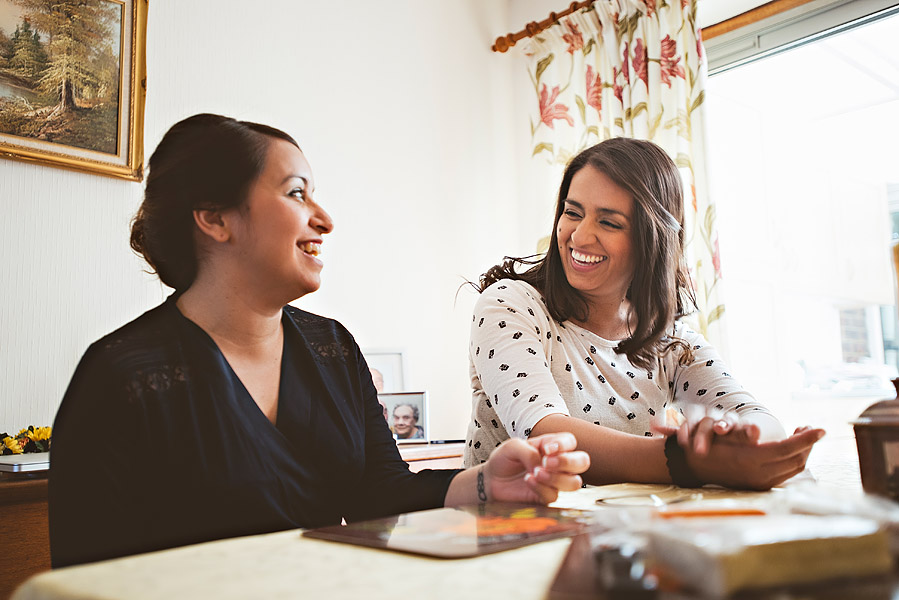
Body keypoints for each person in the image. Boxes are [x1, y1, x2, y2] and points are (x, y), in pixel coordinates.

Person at [49, 114, 590, 568]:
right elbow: (85, 576)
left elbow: (382, 492)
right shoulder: (122, 375)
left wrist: (483, 484)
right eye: (296, 193)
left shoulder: (332, 348)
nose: (324, 219)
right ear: (215, 218)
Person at [463, 137, 824, 491]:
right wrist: (688, 462)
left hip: (618, 536)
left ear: (651, 240)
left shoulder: (671, 343)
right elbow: (547, 435)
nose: (580, 236)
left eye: (609, 222)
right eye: (573, 213)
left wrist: (741, 438)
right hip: (510, 533)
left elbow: (758, 418)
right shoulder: (510, 305)